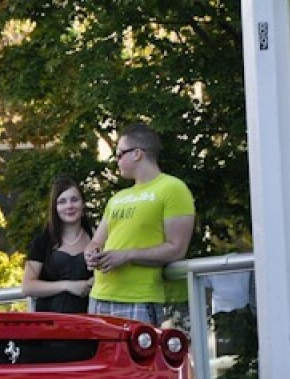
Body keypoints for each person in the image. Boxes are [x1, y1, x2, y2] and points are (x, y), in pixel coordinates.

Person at [84, 123, 196, 324]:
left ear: (137, 154)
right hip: (99, 296)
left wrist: (128, 255)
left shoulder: (173, 188)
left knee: (139, 356)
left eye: (119, 154)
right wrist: (91, 254)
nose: (116, 160)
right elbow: (96, 242)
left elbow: (176, 249)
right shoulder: (118, 197)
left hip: (140, 298)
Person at [21, 176, 95, 313]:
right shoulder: (43, 241)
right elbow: (27, 287)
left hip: (89, 321)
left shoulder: (96, 238)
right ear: (55, 208)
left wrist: (93, 282)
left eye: (74, 200)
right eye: (62, 201)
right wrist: (67, 286)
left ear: (83, 203)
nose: (69, 206)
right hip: (51, 324)